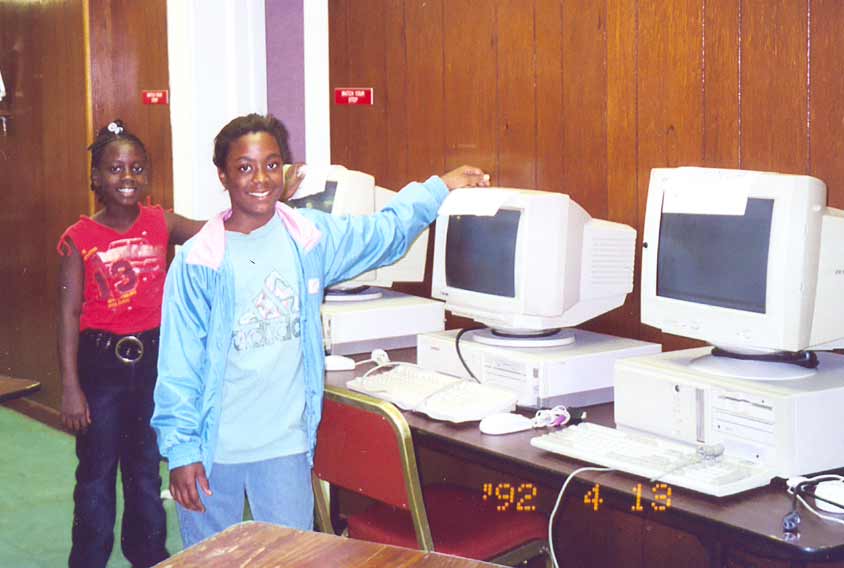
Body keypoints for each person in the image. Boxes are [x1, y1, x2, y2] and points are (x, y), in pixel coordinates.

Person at [151, 112, 490, 546]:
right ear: (223, 175)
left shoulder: (308, 239)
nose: (261, 179)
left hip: (285, 445)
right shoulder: (199, 260)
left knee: (292, 556)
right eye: (245, 167)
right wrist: (181, 452)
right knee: (211, 559)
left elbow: (382, 234)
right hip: (214, 449)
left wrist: (438, 188)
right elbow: (177, 365)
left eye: (272, 165)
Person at [57, 119, 204, 568]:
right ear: (96, 178)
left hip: (154, 363)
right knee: (97, 475)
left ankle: (148, 557)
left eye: (137, 168)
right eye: (116, 169)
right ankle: (88, 560)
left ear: (148, 176)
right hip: (100, 368)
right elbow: (68, 314)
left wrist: (268, 206)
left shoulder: (162, 223)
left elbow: (214, 232)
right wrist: (70, 386)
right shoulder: (78, 238)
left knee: (144, 471)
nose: (127, 177)